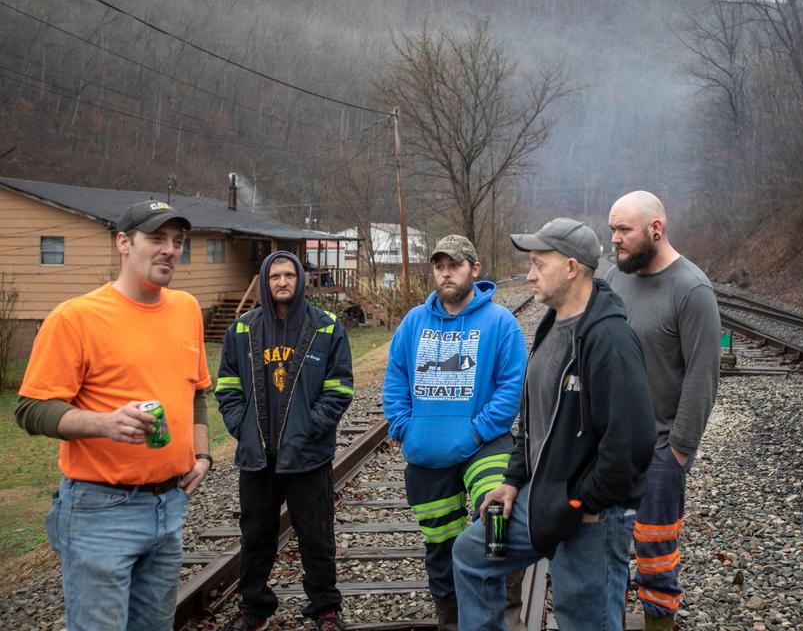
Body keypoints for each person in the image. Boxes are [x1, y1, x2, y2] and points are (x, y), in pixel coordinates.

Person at [15, 200, 213, 631]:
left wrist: (202, 455)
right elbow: (31, 410)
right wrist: (104, 423)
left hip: (169, 505)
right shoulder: (77, 317)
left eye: (177, 242)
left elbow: (196, 390)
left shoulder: (186, 310)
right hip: (100, 510)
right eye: (156, 238)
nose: (169, 250)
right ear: (124, 242)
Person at [452, 217, 656, 631]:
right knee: (471, 556)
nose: (529, 275)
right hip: (543, 496)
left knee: (582, 619)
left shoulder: (609, 340)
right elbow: (532, 419)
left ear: (571, 267)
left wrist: (582, 502)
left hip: (589, 514)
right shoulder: (552, 322)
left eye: (538, 264)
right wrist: (512, 480)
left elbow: (633, 443)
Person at [383, 235, 528, 631]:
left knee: (498, 521)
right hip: (427, 451)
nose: (446, 272)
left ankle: (504, 609)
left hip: (483, 444)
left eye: (456, 265)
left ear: (474, 269)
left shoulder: (500, 323)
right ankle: (451, 617)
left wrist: (478, 431)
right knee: (440, 544)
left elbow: (511, 387)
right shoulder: (414, 322)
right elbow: (395, 378)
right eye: (440, 265)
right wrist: (404, 428)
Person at [215, 250, 354, 631]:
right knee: (255, 538)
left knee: (317, 538)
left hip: (308, 456)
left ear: (300, 280)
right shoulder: (242, 330)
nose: (281, 282)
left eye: (288, 275)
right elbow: (226, 385)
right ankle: (254, 609)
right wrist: (239, 425)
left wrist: (312, 426)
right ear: (265, 280)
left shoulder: (325, 327)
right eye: (274, 275)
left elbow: (340, 387)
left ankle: (325, 609)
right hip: (257, 458)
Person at [605, 191, 722, 630]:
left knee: (655, 555)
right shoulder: (617, 279)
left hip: (659, 450)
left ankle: (657, 624)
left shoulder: (691, 289)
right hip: (611, 446)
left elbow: (702, 377)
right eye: (612, 229)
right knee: (609, 547)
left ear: (656, 230)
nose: (614, 239)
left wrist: (678, 452)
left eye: (623, 230)